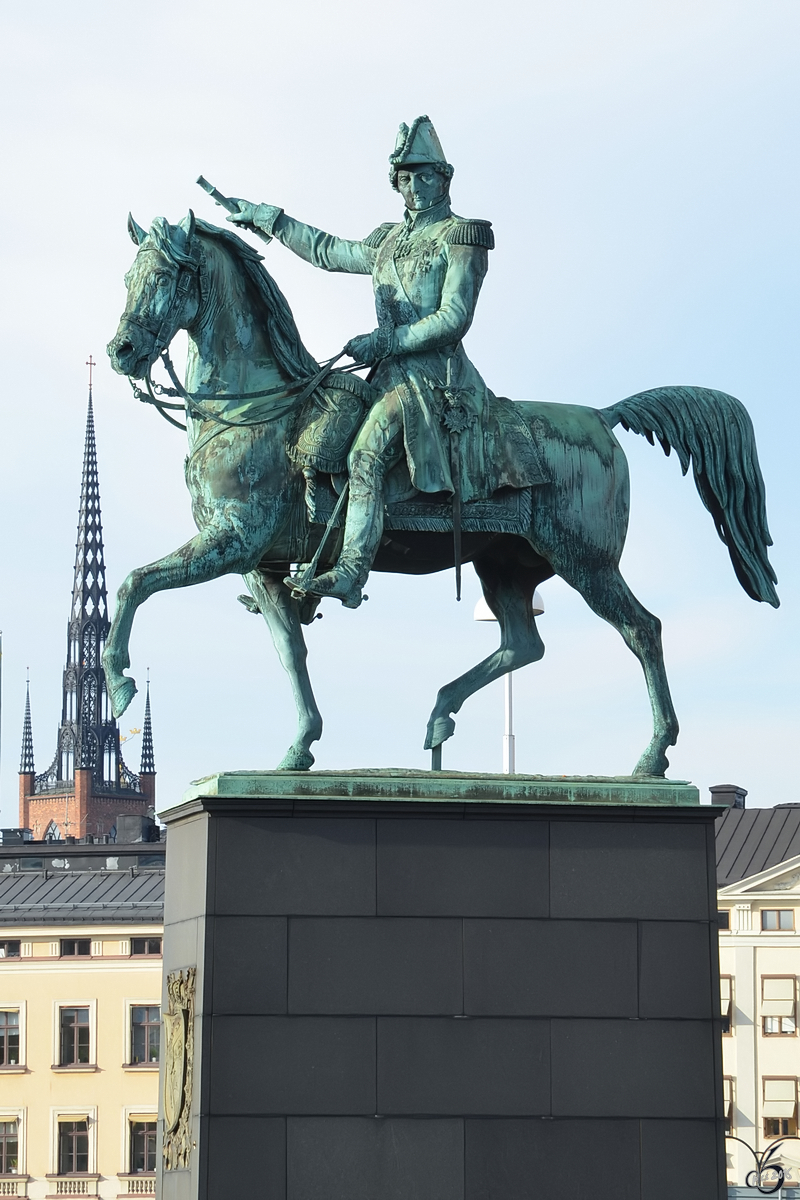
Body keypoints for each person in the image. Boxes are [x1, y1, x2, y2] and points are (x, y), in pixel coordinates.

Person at [228, 115, 543, 607]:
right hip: (390, 376)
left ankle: (351, 572)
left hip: (437, 380)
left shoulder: (462, 237)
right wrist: (268, 219)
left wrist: (386, 340)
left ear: (444, 177)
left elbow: (454, 318)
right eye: (404, 177)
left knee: (365, 453)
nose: (413, 186)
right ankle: (317, 563)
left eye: (423, 175)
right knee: (320, 440)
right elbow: (328, 251)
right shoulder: (386, 242)